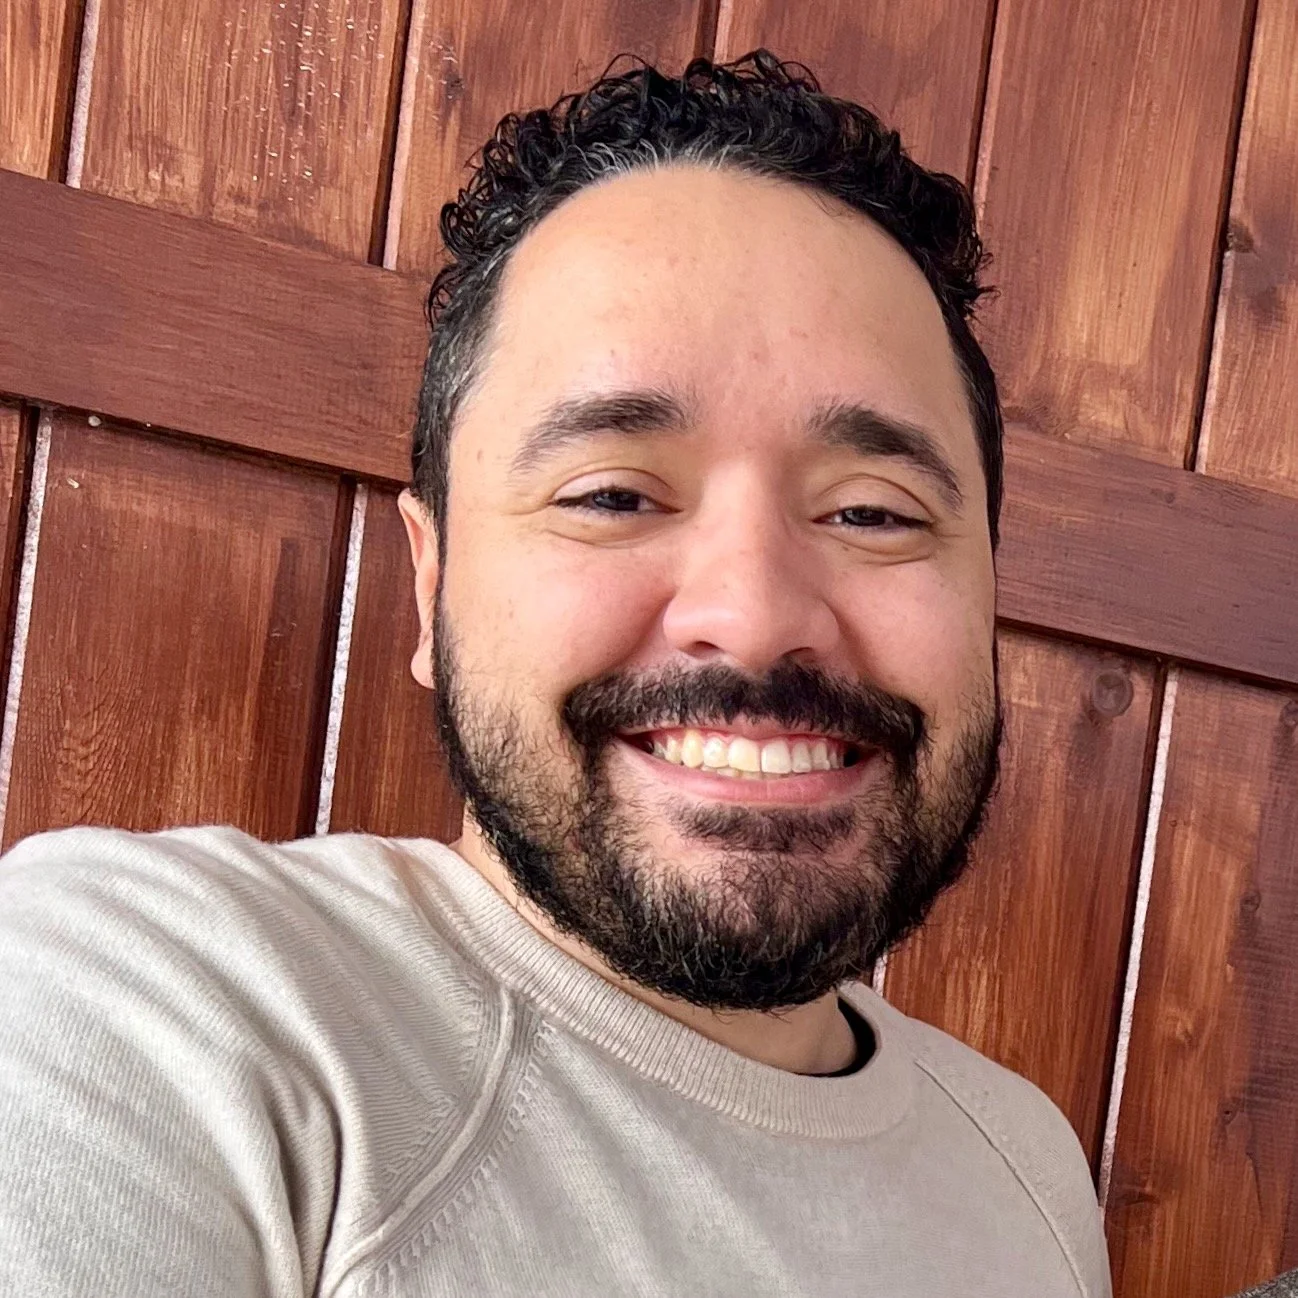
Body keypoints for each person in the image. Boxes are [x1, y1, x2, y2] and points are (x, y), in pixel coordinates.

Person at [0, 52, 1112, 1297]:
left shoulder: (1023, 1165)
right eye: (610, 494)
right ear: (428, 585)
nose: (751, 619)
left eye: (870, 512)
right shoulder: (142, 1010)